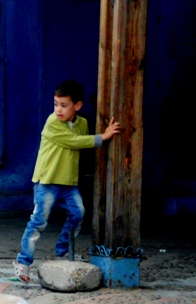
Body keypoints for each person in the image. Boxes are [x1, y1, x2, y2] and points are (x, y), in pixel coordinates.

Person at [14, 80, 121, 283]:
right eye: (55, 104)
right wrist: (102, 137)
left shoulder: (82, 124)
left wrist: (98, 137)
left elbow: (81, 146)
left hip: (68, 184)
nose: (58, 110)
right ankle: (23, 262)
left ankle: (62, 251)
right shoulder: (52, 122)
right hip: (47, 181)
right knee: (38, 221)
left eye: (64, 105)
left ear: (77, 106)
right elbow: (74, 141)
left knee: (78, 213)